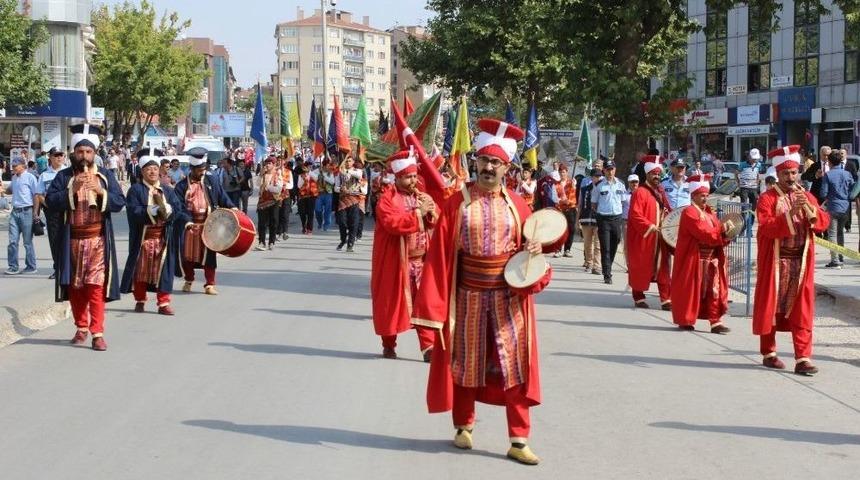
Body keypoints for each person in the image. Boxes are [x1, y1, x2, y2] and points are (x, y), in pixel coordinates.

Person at [412, 118, 549, 465]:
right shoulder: (456, 203)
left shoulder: (519, 206)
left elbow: (533, 250)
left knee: (515, 368)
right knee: (465, 366)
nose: (488, 167)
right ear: (476, 162)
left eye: (496, 162)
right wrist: (434, 308)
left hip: (509, 299)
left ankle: (519, 439)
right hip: (468, 297)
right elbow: (441, 255)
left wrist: (534, 251)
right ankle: (463, 425)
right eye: (484, 161)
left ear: (507, 167)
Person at [45, 124, 125, 351]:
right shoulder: (63, 177)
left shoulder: (106, 175)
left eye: (88, 152)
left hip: (97, 239)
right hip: (72, 240)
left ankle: (97, 332)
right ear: (73, 153)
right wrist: (72, 189)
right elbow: (50, 202)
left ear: (95, 154)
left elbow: (119, 203)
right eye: (80, 152)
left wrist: (100, 192)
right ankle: (81, 326)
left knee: (95, 286)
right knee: (75, 287)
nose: (84, 156)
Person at [754, 146, 829, 376]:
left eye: (794, 173)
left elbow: (823, 221)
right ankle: (769, 352)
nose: (791, 177)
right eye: (786, 173)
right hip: (776, 262)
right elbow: (766, 228)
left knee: (802, 310)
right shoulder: (767, 199)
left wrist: (809, 211)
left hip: (801, 263)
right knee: (771, 308)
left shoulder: (806, 195)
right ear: (778, 174)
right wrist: (788, 214)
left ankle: (803, 358)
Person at [371, 149, 438, 361]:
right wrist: (418, 213)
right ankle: (388, 344)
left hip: (421, 262)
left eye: (414, 176)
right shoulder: (387, 199)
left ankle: (428, 347)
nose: (412, 180)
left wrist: (430, 212)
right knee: (391, 304)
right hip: (396, 263)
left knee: (424, 304)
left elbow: (436, 219)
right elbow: (393, 223)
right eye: (408, 177)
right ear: (398, 177)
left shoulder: (421, 196)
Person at [120, 149, 181, 315]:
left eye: (155, 168)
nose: (152, 171)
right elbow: (133, 211)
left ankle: (163, 303)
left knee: (164, 270)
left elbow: (178, 209)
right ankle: (140, 300)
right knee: (140, 270)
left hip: (163, 237)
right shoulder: (136, 190)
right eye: (148, 169)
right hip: (143, 238)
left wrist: (170, 210)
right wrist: (150, 210)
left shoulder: (167, 190)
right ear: (142, 171)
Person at [670, 174, 731, 334]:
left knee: (714, 291)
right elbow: (704, 233)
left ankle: (715, 322)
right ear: (693, 196)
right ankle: (686, 319)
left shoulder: (711, 214)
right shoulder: (689, 212)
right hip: (694, 260)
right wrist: (721, 230)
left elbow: (717, 236)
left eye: (706, 195)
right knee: (691, 291)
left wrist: (727, 234)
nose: (705, 199)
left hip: (711, 260)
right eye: (701, 196)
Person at [174, 147, 236, 295]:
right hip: (190, 225)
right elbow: (178, 207)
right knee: (188, 256)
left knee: (209, 256)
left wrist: (232, 207)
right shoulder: (182, 186)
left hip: (209, 224)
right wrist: (187, 220)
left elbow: (221, 196)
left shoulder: (211, 180)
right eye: (198, 169)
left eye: (203, 168)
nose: (202, 172)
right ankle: (189, 279)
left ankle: (210, 284)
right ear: (191, 169)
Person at [627, 157, 673, 309]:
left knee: (663, 268)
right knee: (640, 266)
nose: (657, 177)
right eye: (654, 173)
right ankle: (638, 296)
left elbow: (668, 211)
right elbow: (635, 214)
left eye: (659, 174)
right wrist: (650, 226)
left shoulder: (660, 192)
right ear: (646, 174)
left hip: (660, 237)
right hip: (645, 237)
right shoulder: (640, 192)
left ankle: (666, 299)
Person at [34, 148, 67, 279]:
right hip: (52, 212)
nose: (59, 158)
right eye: (56, 155)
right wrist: (47, 206)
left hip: (67, 210)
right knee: (54, 240)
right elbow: (39, 194)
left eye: (61, 155)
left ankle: (70, 268)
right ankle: (58, 268)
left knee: (69, 239)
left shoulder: (69, 173)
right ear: (51, 158)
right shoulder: (44, 175)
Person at [591, 160, 625, 284]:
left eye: (612, 169)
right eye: (608, 169)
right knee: (605, 246)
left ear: (615, 170)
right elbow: (594, 203)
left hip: (616, 218)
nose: (610, 172)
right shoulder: (599, 185)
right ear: (604, 170)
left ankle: (608, 265)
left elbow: (623, 201)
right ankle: (607, 274)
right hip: (604, 219)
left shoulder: (621, 184)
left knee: (614, 243)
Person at [819, 151, 855, 268]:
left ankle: (835, 260)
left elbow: (823, 193)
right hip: (845, 207)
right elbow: (852, 191)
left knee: (832, 234)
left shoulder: (828, 175)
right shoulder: (847, 174)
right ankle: (841, 257)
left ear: (829, 162)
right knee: (840, 234)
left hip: (833, 207)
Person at [4, 157, 39, 275]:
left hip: (27, 211)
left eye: (15, 166)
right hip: (15, 212)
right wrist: (3, 190)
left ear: (23, 166)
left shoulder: (30, 177)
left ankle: (31, 266)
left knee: (27, 241)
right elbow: (10, 190)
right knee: (12, 241)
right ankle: (13, 266)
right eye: (12, 166)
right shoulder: (14, 178)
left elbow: (36, 195)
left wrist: (35, 212)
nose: (13, 168)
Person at [336, 156, 364, 251]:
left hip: (354, 199)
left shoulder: (357, 171)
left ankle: (350, 243)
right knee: (342, 222)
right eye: (346, 161)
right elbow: (336, 186)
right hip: (343, 199)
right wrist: (340, 188)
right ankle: (343, 239)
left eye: (349, 161)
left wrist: (347, 171)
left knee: (354, 222)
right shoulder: (340, 173)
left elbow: (359, 176)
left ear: (353, 162)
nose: (348, 163)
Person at [578, 169, 602, 274]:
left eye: (599, 176)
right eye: (595, 176)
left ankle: (596, 266)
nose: (597, 178)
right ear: (591, 177)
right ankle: (589, 262)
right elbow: (580, 204)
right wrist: (577, 220)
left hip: (599, 220)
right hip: (586, 218)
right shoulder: (584, 189)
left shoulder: (603, 188)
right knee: (587, 243)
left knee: (598, 244)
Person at [256, 157, 283, 250]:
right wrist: (260, 175)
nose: (267, 165)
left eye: (269, 163)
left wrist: (269, 187)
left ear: (274, 165)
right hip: (262, 201)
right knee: (261, 223)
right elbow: (257, 184)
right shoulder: (263, 175)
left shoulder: (278, 174)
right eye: (266, 163)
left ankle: (271, 242)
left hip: (273, 201)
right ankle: (261, 242)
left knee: (273, 222)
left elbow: (279, 188)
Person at [554, 164, 577, 258]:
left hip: (570, 208)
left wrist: (574, 186)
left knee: (571, 229)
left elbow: (574, 194)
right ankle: (558, 249)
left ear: (567, 172)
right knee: (560, 230)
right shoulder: (556, 184)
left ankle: (567, 249)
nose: (562, 174)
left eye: (563, 172)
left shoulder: (571, 182)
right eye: (560, 172)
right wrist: (560, 201)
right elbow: (554, 197)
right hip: (560, 209)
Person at [737, 148, 762, 231]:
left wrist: (757, 184)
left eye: (756, 159)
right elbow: (736, 173)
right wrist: (738, 184)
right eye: (753, 158)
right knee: (744, 209)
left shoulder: (758, 165)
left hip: (754, 189)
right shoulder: (742, 164)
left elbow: (758, 174)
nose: (755, 160)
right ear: (749, 157)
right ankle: (742, 228)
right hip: (744, 188)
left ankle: (749, 228)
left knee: (753, 209)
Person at [621, 174, 639, 271]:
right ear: (629, 183)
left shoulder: (642, 194)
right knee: (627, 244)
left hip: (638, 223)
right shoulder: (624, 194)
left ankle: (637, 263)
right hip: (626, 222)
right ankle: (629, 265)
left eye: (636, 182)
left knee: (638, 244)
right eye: (632, 182)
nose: (634, 184)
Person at [297, 160, 319, 235]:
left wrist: (309, 173)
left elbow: (316, 178)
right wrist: (304, 178)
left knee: (310, 213)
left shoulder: (314, 173)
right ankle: (304, 226)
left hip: (312, 195)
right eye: (308, 166)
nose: (310, 167)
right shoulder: (300, 175)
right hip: (303, 196)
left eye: (311, 166)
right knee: (302, 213)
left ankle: (310, 228)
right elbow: (299, 186)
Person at [275, 156, 293, 239]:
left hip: (285, 195)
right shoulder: (274, 171)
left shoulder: (288, 171)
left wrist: (285, 185)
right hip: (276, 196)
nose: (280, 162)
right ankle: (278, 232)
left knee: (285, 214)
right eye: (278, 160)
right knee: (277, 214)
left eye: (281, 160)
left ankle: (285, 231)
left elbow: (291, 185)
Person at [317, 159, 337, 230]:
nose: (328, 167)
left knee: (327, 210)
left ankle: (326, 225)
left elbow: (332, 182)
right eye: (326, 166)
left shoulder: (331, 173)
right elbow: (312, 175)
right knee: (317, 210)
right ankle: (320, 222)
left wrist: (324, 176)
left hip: (328, 193)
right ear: (323, 166)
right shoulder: (318, 172)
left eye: (329, 165)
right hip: (319, 194)